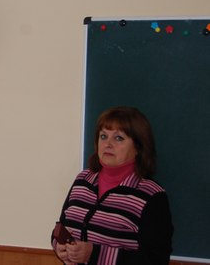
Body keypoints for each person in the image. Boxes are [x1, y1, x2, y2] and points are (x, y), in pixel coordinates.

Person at [52, 106, 173, 265]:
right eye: (103, 136)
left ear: (138, 147)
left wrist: (94, 254)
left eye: (118, 138)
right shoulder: (83, 180)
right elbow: (62, 227)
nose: (107, 144)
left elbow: (157, 260)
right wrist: (59, 247)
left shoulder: (151, 195)